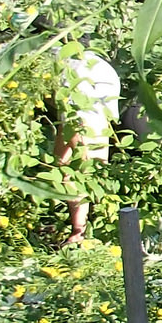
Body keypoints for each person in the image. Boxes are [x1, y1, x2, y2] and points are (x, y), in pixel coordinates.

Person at [55, 34, 121, 245]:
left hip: (78, 80)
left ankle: (79, 232)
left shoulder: (36, 56)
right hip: (104, 73)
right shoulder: (93, 61)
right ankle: (85, 227)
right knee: (89, 161)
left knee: (78, 164)